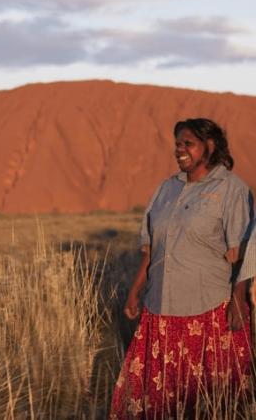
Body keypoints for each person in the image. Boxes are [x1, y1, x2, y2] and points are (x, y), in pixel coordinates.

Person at [109, 118, 254, 419]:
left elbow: (242, 251)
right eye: (177, 144)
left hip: (209, 310)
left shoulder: (230, 189)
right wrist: (135, 291)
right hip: (159, 306)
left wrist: (239, 298)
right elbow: (152, 247)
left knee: (213, 400)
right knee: (152, 400)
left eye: (187, 143)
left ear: (210, 146)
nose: (180, 150)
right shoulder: (167, 188)